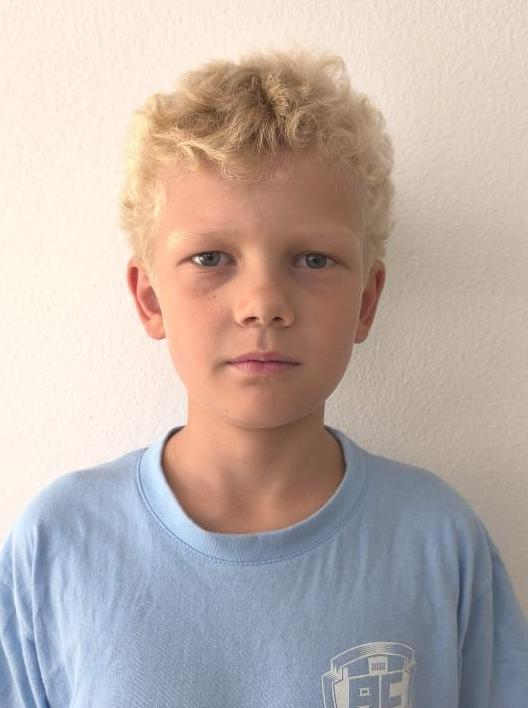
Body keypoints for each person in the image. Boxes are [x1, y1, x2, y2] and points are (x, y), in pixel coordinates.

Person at [1, 48, 527, 708]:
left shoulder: (437, 539)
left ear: (366, 302)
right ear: (150, 299)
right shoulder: (61, 543)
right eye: (210, 258)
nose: (263, 303)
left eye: (314, 259)